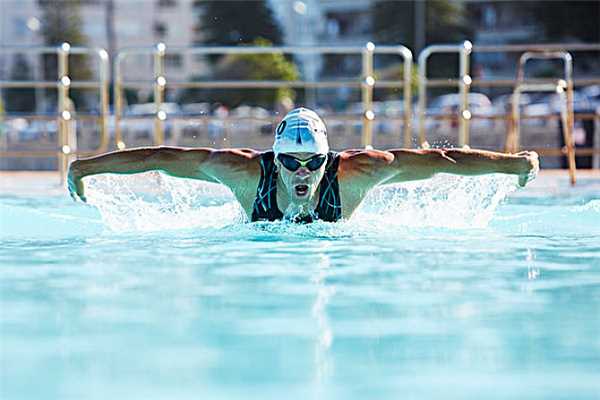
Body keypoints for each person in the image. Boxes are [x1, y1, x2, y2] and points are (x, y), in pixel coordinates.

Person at [68, 107, 539, 223]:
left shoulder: (359, 170)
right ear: (273, 157)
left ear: (326, 158)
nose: (300, 173)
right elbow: (159, 158)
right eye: (289, 163)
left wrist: (514, 165)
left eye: (311, 163)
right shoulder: (245, 170)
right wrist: (85, 167)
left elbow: (442, 161)